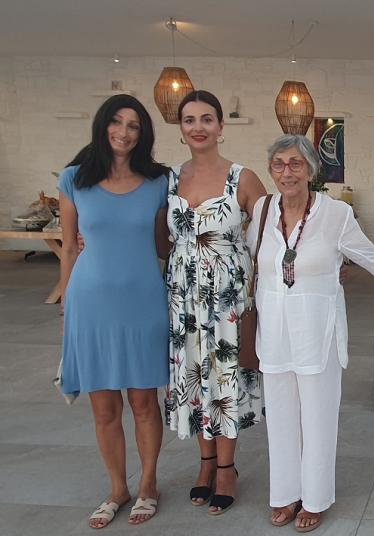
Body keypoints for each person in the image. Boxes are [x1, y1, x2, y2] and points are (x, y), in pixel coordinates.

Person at [249, 134, 374, 531]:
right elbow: (249, 259)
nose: (287, 172)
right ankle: (285, 493)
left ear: (311, 169)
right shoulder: (262, 209)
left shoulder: (336, 214)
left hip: (317, 334)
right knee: (280, 419)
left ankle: (315, 498)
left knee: (318, 419)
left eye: (295, 163)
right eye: (279, 164)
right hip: (274, 335)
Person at [57, 94, 170, 528]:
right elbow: (69, 246)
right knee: (103, 407)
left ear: (143, 134)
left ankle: (148, 484)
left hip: (143, 302)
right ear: (103, 125)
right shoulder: (74, 178)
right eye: (117, 122)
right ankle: (118, 488)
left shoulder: (158, 181)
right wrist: (66, 303)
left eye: (134, 125)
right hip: (90, 304)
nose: (124, 132)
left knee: (143, 402)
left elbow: (163, 244)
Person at [163, 90, 267, 515]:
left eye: (207, 119)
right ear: (181, 128)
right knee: (194, 376)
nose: (198, 127)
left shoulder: (242, 178)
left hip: (227, 299)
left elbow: (274, 233)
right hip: (184, 299)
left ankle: (226, 467)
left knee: (224, 378)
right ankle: (204, 462)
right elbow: (158, 238)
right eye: (190, 120)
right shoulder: (169, 179)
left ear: (221, 126)